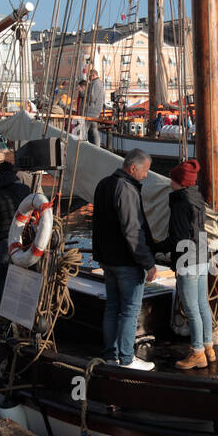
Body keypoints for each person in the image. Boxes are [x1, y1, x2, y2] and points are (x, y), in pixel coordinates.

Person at [92, 148, 157, 370]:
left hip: (107, 260)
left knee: (112, 307)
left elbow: (98, 224)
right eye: (145, 171)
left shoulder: (103, 185)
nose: (146, 175)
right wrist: (148, 263)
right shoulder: (126, 189)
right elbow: (133, 230)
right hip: (126, 262)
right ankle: (127, 359)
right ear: (133, 168)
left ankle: (111, 355)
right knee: (129, 310)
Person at [156, 159, 215, 370]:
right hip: (201, 257)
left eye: (172, 178)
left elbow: (178, 239)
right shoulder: (196, 198)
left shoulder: (180, 203)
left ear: (179, 182)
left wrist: (156, 248)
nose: (170, 181)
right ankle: (209, 348)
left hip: (188, 261)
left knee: (191, 309)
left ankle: (197, 352)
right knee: (202, 305)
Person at [0, 160, 31, 324]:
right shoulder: (24, 190)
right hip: (25, 242)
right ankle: (24, 319)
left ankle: (4, 322)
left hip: (4, 241)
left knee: (3, 280)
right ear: (14, 173)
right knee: (23, 280)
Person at [84, 68, 107, 146]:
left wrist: (83, 94)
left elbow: (92, 97)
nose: (88, 78)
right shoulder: (101, 84)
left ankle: (83, 145)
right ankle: (96, 146)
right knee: (93, 129)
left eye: (89, 76)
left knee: (85, 129)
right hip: (96, 111)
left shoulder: (95, 83)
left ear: (93, 75)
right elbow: (103, 99)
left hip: (91, 111)